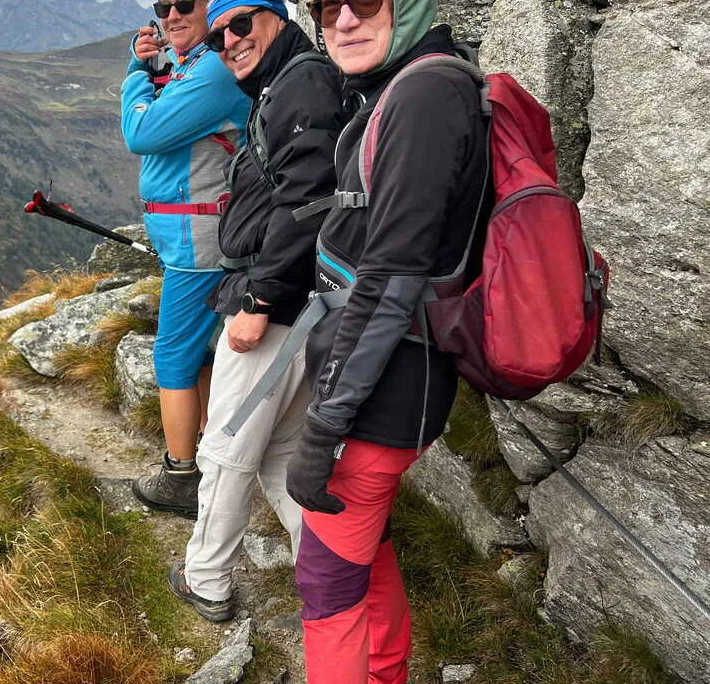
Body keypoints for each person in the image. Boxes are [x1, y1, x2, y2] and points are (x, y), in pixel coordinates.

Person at [287, 0, 489, 681]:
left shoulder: (426, 94)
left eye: (366, 1)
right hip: (392, 376)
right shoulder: (414, 82)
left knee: (325, 583)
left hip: (386, 389)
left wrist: (322, 430)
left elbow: (393, 279)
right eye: (324, 5)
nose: (341, 19)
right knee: (362, 551)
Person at [164, 0, 343, 622]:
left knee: (226, 450)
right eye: (218, 38)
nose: (230, 42)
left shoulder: (303, 83)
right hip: (297, 306)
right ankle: (332, 573)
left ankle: (205, 578)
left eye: (242, 24)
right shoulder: (288, 83)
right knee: (280, 457)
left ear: (278, 18)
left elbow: (309, 201)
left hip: (277, 309)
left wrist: (260, 302)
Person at [122, 0, 251, 519]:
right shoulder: (194, 63)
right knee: (196, 352)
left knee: (172, 356)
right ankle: (206, 448)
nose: (172, 13)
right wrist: (149, 59)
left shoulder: (215, 70)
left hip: (200, 243)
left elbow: (142, 135)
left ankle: (181, 476)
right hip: (186, 235)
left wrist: (134, 74)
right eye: (162, 5)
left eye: (185, 3)